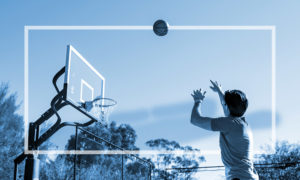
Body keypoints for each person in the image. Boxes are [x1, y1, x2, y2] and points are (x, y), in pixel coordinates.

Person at [190, 80, 259, 180]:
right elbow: (228, 108)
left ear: (227, 106)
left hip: (238, 177)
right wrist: (219, 91)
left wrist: (198, 101)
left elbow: (195, 120)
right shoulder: (243, 124)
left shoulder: (229, 123)